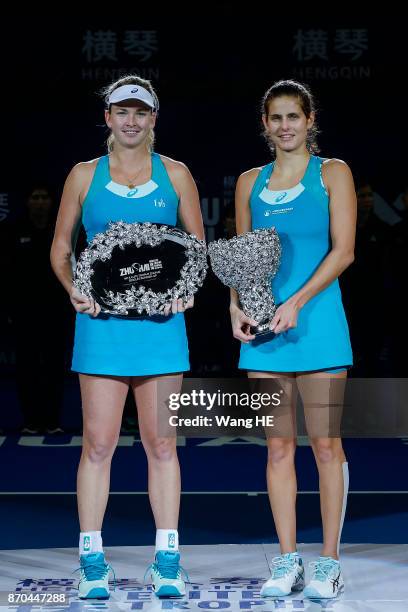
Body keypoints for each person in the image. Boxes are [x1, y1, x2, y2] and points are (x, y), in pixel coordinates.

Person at [51, 75, 204, 600]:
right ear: (108, 118)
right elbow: (60, 248)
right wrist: (74, 289)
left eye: (141, 112)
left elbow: (196, 249)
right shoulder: (82, 175)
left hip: (162, 330)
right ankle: (91, 560)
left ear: (154, 119)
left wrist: (185, 292)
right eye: (122, 111)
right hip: (101, 327)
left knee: (163, 443)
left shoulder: (177, 174)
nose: (131, 120)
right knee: (98, 444)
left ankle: (167, 559)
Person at [230, 80, 356, 599]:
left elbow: (343, 251)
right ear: (265, 125)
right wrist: (237, 305)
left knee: (326, 446)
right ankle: (288, 560)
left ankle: (328, 562)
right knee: (278, 447)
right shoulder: (248, 182)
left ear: (310, 121)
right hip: (265, 334)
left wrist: (297, 302)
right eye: (276, 118)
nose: (285, 126)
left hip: (319, 325)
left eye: (294, 117)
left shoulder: (333, 173)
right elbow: (241, 258)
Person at [3, 185, 69, 434]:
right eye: (35, 197)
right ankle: (31, 420)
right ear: (28, 202)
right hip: (24, 311)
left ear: (52, 202)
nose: (40, 202)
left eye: (45, 197)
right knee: (27, 366)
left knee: (53, 365)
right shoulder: (12, 231)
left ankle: (52, 421)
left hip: (56, 310)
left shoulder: (62, 230)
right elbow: (6, 272)